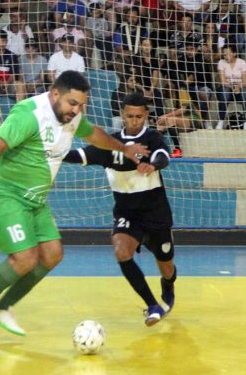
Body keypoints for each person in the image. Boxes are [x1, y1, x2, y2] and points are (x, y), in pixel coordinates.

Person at [0, 71, 148, 341]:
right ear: (55, 93)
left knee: (52, 254)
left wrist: (123, 149)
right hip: (3, 194)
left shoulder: (72, 117)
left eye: (81, 105)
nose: (76, 110)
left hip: (34, 200)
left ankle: (1, 307)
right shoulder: (30, 114)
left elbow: (93, 134)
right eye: (72, 103)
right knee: (25, 258)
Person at [62, 93, 177, 325]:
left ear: (146, 115)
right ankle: (153, 305)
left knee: (166, 265)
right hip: (127, 213)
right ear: (123, 114)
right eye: (130, 116)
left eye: (139, 116)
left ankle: (168, 285)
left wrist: (151, 165)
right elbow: (78, 155)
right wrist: (51, 151)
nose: (134, 121)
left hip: (155, 213)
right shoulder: (109, 143)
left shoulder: (152, 137)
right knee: (121, 251)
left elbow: (163, 156)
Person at [216, 44, 246, 130]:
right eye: (224, 54)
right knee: (225, 92)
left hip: (240, 89)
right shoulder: (221, 63)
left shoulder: (242, 62)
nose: (225, 56)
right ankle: (221, 121)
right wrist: (233, 87)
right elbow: (223, 82)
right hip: (226, 88)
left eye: (228, 54)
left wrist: (238, 87)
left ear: (234, 53)